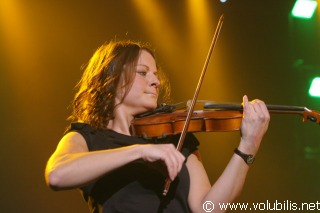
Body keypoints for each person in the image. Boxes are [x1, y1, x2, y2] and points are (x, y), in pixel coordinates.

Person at [45, 40, 270, 212]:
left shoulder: (174, 138)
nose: (156, 81)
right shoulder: (87, 137)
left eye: (155, 74)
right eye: (143, 73)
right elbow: (57, 175)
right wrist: (140, 150)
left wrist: (248, 146)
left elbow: (206, 208)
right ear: (111, 79)